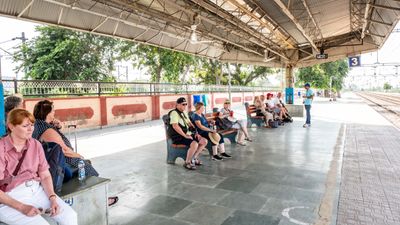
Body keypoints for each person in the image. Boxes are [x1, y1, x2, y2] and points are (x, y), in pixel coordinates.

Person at [31, 100, 119, 206]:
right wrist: (79, 156)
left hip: (56, 160)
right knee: (86, 166)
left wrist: (57, 126)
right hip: (64, 161)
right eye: (53, 110)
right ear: (48, 112)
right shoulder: (46, 130)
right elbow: (64, 150)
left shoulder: (40, 125)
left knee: (85, 163)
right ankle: (101, 199)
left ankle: (98, 196)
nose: (54, 112)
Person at [0, 109, 77, 225]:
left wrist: (52, 198)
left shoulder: (35, 144)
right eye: (25, 126)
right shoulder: (2, 148)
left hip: (36, 189)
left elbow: (45, 175)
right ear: (11, 126)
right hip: (9, 197)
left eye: (32, 125)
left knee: (69, 216)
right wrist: (22, 207)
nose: (31, 129)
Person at [169, 97, 207, 170]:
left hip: (188, 134)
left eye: (186, 104)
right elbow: (175, 126)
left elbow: (189, 123)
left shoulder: (184, 112)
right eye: (183, 104)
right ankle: (187, 162)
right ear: (177, 105)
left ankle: (194, 158)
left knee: (204, 141)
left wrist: (196, 133)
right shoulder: (174, 113)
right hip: (179, 136)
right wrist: (185, 136)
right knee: (194, 144)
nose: (185, 106)